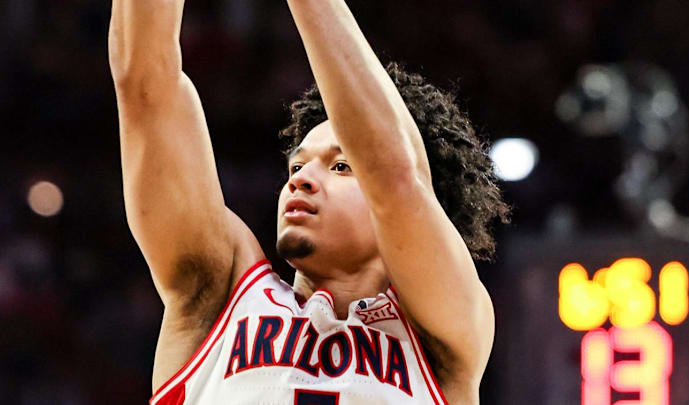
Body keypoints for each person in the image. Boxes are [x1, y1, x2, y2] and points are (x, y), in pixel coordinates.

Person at [109, 0, 509, 404]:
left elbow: (396, 177)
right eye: (296, 166)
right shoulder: (221, 293)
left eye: (339, 166)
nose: (301, 179)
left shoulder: (445, 334)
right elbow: (145, 86)